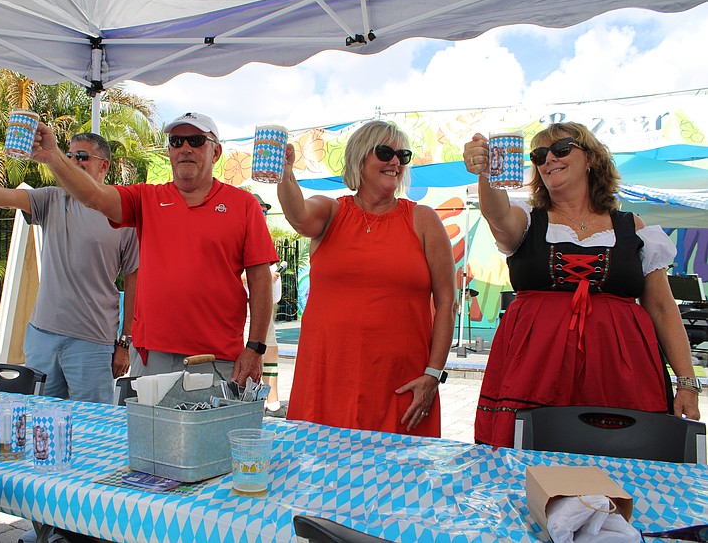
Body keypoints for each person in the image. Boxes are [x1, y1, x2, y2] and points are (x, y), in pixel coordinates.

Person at [463, 122, 702, 448]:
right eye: (539, 155)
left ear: (590, 159)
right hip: (537, 370)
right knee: (534, 464)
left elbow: (661, 307)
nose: (549, 159)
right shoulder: (529, 221)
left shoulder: (634, 227)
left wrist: (687, 383)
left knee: (621, 463)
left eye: (561, 149)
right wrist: (487, 174)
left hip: (621, 371)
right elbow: (497, 213)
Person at [29, 112, 278, 386]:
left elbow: (260, 278)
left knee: (210, 431)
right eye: (176, 141)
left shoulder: (243, 205)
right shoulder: (146, 198)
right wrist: (54, 157)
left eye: (195, 141)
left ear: (215, 151)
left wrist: (255, 347)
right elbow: (93, 196)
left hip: (215, 359)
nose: (185, 148)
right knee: (151, 431)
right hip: (152, 358)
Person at [278, 120, 456, 436]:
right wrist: (285, 174)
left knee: (400, 482)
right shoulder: (331, 211)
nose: (395, 162)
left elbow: (447, 302)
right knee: (323, 478)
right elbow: (298, 215)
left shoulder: (423, 219)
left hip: (401, 386)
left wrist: (433, 374)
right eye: (385, 152)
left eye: (403, 155)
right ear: (360, 157)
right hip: (327, 380)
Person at [0, 132, 138, 404]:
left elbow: (134, 279)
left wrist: (125, 343)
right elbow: (3, 197)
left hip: (93, 342)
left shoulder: (121, 212)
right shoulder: (52, 199)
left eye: (82, 157)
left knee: (91, 422)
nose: (73, 161)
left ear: (104, 165)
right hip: (42, 337)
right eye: (69, 155)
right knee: (39, 420)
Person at [243, 193, 286, 417]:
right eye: (259, 210)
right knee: (252, 352)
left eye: (265, 210)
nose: (263, 214)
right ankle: (250, 402)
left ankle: (272, 399)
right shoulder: (240, 231)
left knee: (271, 351)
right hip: (247, 307)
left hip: (266, 304)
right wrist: (263, 275)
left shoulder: (265, 234)